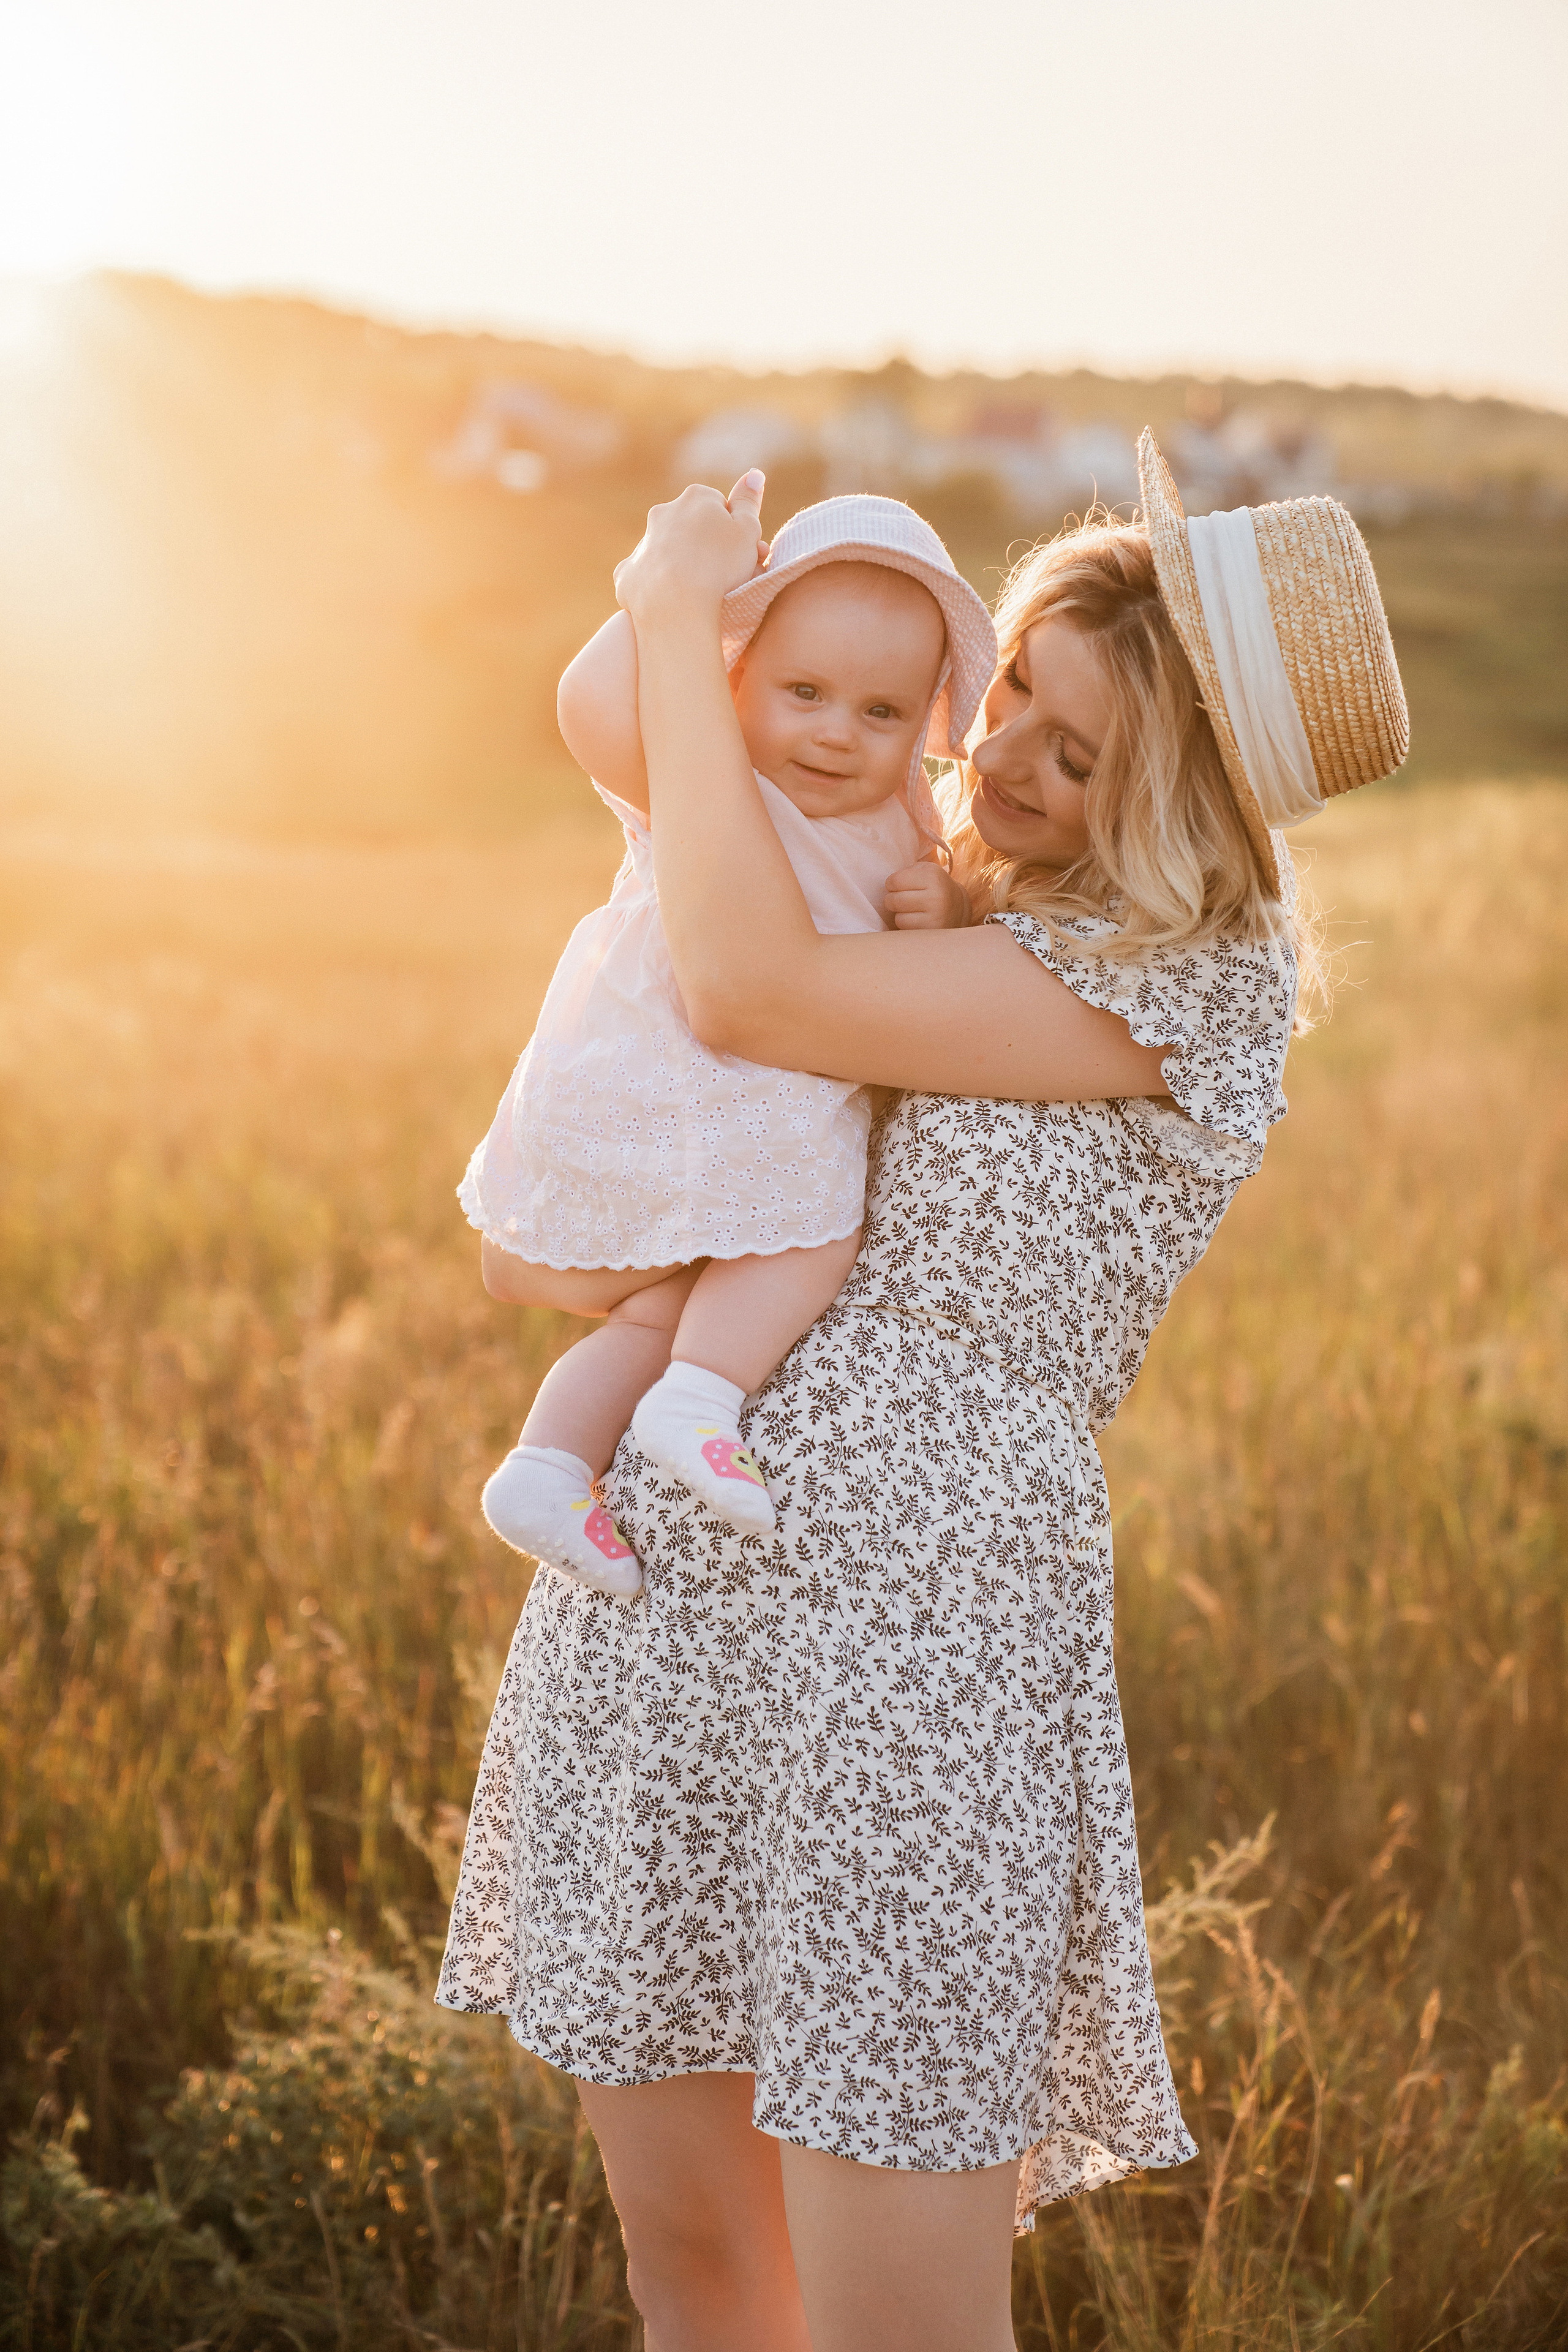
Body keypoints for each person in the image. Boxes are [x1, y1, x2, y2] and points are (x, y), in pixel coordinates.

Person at [438, 436, 1409, 2352]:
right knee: (699, 2276)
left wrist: (654, 597)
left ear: (1193, 801)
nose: (1007, 765)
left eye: (1083, 752)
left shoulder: (1185, 987)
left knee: (900, 2321)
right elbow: (664, 963)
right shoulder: (919, 873)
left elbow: (746, 994)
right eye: (1018, 701)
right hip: (683, 1598)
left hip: (924, 1642)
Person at [462, 496, 996, 1593]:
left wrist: (938, 915)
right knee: (816, 1229)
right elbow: (591, 706)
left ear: (926, 728)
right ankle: (700, 1404)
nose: (837, 732)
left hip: (749, 1108)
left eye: (882, 710)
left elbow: (919, 966)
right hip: (665, 1077)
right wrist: (668, 591)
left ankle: (549, 1462)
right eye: (804, 692)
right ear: (737, 675)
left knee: (662, 1312)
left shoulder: (907, 826)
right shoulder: (708, 782)